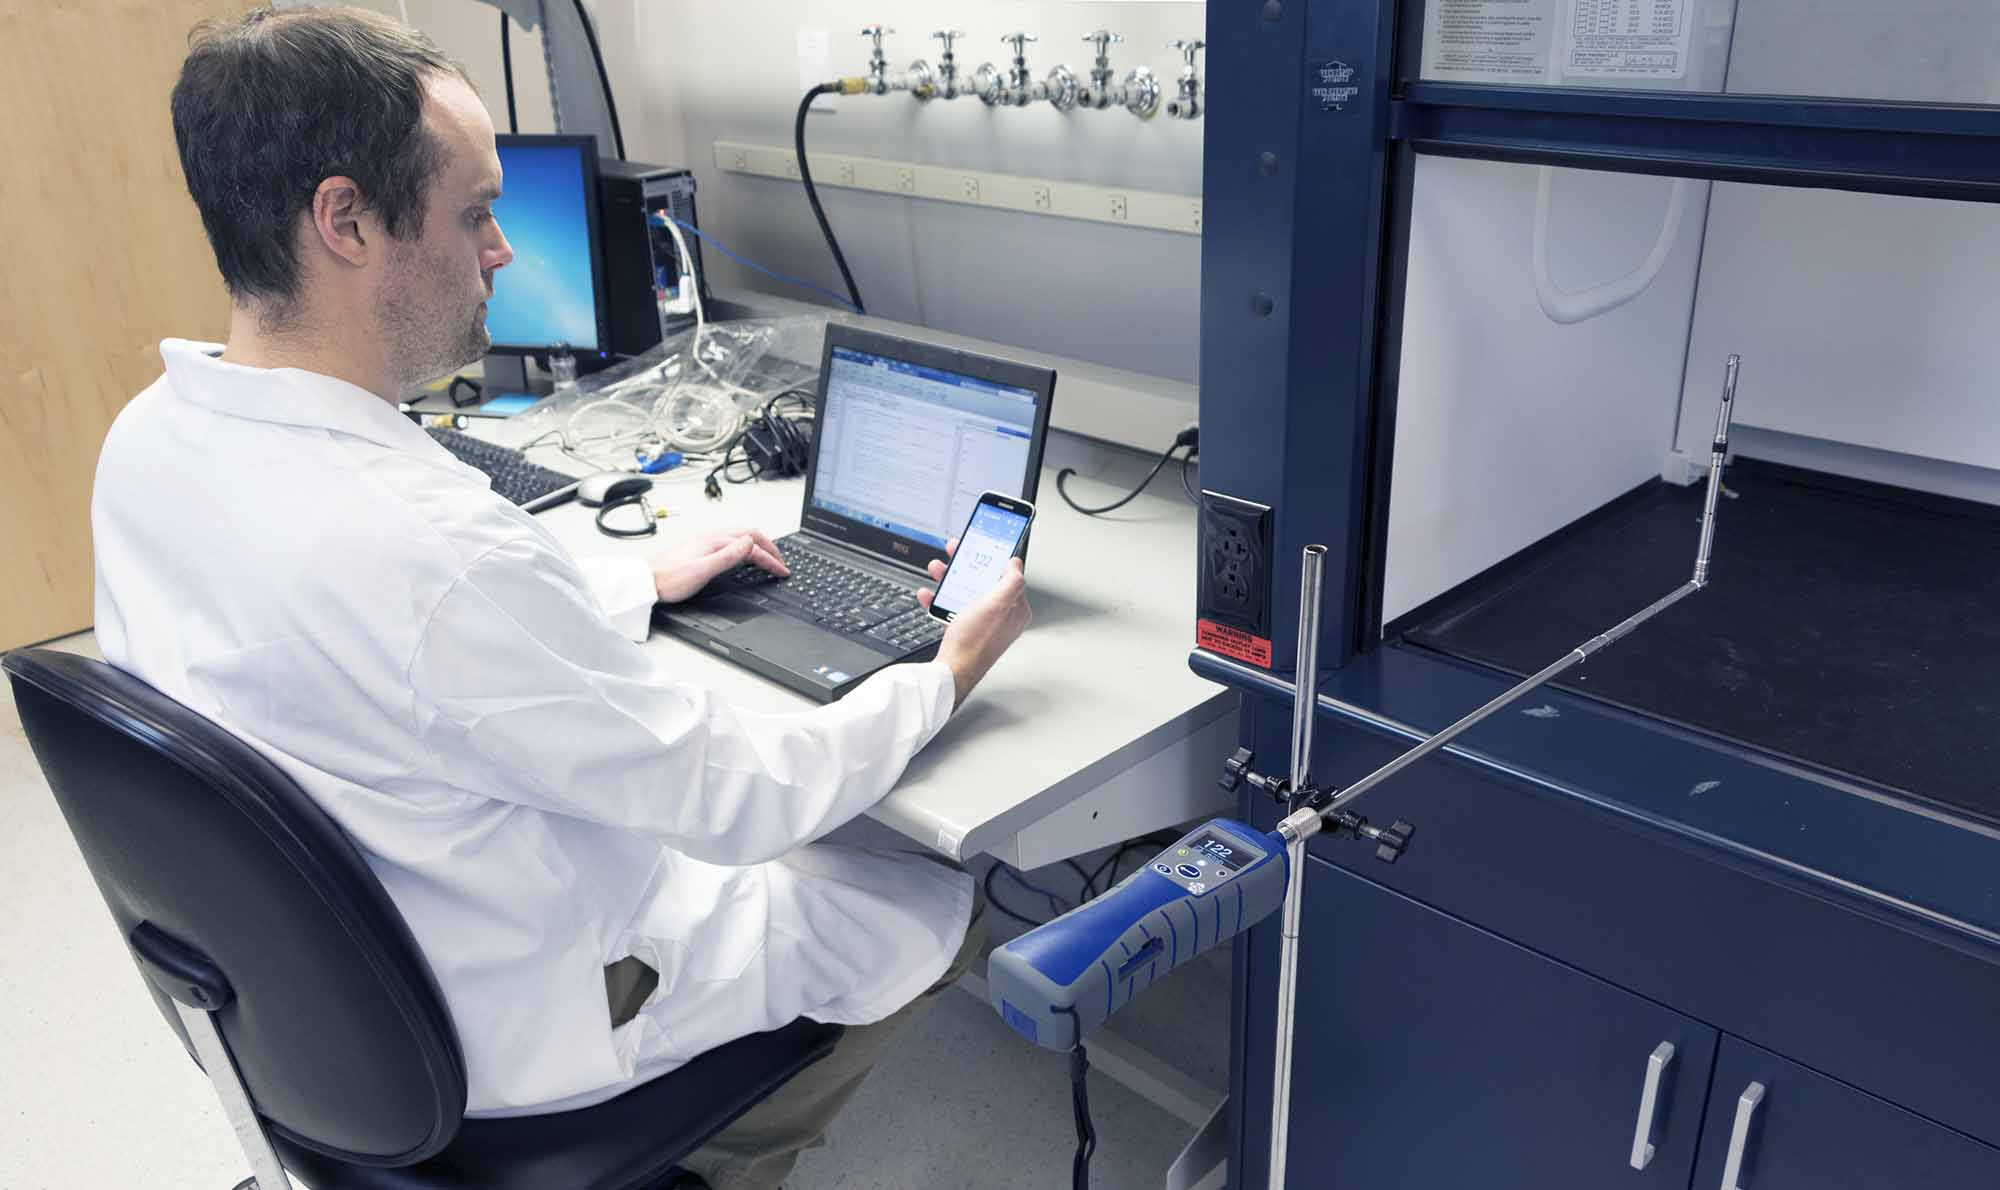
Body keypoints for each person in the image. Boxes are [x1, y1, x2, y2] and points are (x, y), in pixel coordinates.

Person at [93, 7, 1031, 1187]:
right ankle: (702, 1159)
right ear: (345, 220)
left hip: (325, 1008)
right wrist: (942, 672)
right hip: (517, 1029)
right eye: (474, 213)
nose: (501, 251)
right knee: (929, 900)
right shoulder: (432, 553)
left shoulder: (152, 441)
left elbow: (383, 639)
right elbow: (743, 797)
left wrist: (635, 580)